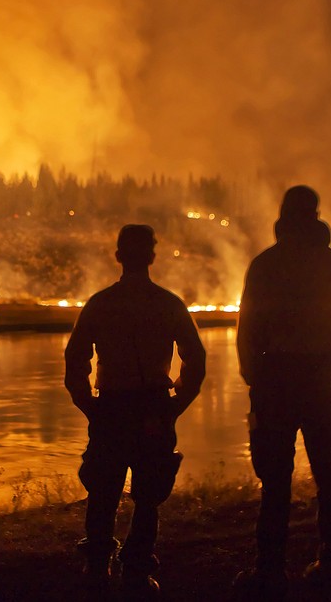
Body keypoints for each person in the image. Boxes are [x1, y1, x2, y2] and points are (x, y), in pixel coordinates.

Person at [233, 185, 331, 600]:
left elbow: (247, 327)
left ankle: (270, 569)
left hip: (275, 380)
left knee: (274, 480)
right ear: (316, 215)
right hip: (319, 380)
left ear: (283, 216)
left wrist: (254, 375)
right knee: (329, 475)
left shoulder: (266, 265)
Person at [64, 224, 207, 598]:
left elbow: (75, 359)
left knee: (103, 491)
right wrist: (177, 405)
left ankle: (97, 567)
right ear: (152, 257)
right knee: (148, 496)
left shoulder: (100, 303)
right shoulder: (168, 303)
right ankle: (137, 571)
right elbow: (196, 359)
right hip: (154, 411)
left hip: (111, 408)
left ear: (118, 257)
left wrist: (88, 406)